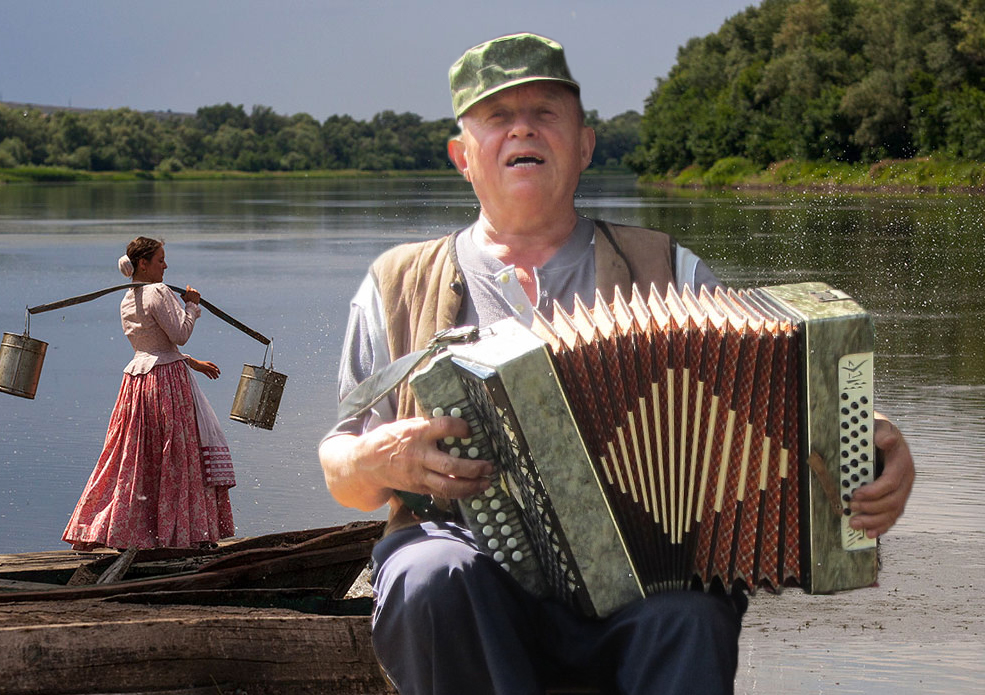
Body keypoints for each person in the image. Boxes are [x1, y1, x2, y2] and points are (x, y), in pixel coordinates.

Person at [318, 33, 916, 695]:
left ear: (584, 145)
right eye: (497, 116)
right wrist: (378, 460)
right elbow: (342, 466)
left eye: (546, 112)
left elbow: (772, 382)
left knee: (692, 614)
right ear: (463, 155)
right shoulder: (394, 282)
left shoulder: (669, 267)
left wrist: (870, 437)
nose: (523, 128)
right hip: (466, 565)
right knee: (433, 576)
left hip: (642, 576)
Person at [63, 236, 236, 550]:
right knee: (177, 457)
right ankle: (180, 535)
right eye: (160, 260)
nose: (165, 266)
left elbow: (151, 347)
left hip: (137, 385)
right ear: (143, 264)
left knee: (136, 457)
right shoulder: (158, 291)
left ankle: (130, 531)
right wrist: (192, 305)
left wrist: (192, 362)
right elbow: (179, 335)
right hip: (166, 384)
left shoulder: (128, 298)